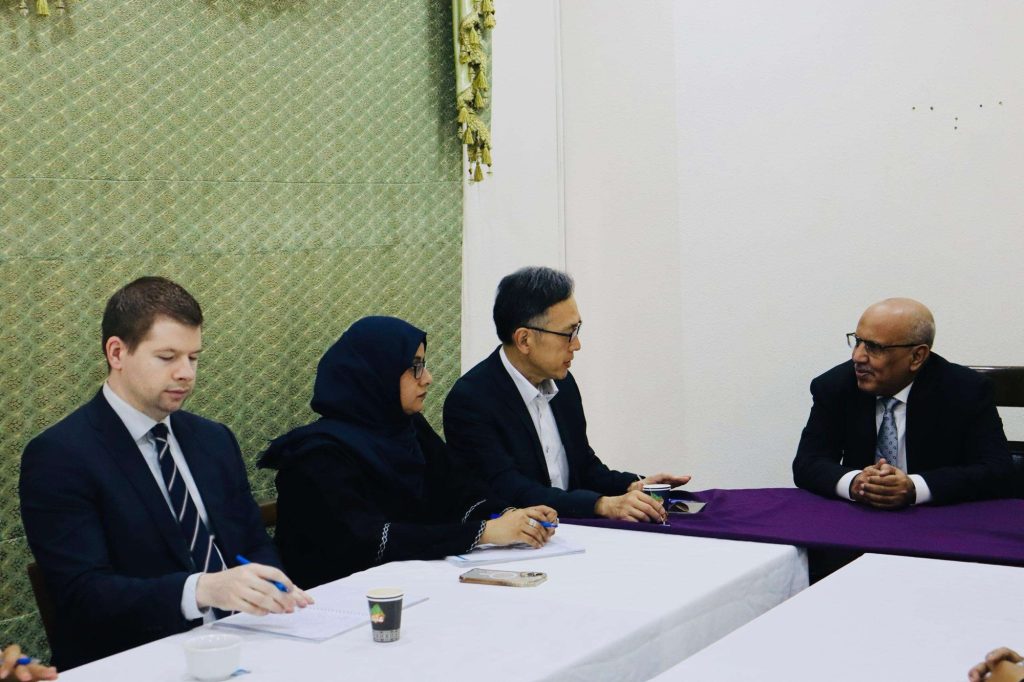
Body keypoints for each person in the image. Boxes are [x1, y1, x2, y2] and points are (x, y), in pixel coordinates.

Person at [19, 277, 311, 670]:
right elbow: (84, 593)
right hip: (137, 659)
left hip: (245, 641)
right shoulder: (60, 455)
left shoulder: (213, 439)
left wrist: (268, 585)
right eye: (167, 357)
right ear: (117, 352)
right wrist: (201, 589)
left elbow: (253, 542)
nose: (186, 373)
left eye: (194, 358)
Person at [260, 316, 557, 588]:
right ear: (377, 373)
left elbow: (458, 489)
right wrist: (485, 532)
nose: (426, 377)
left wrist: (510, 516)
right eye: (415, 366)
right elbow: (369, 540)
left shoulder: (407, 428)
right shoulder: (318, 456)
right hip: (338, 602)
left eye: (423, 365)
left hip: (411, 585)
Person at [443, 266, 691, 521]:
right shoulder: (471, 400)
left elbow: (584, 466)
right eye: (568, 334)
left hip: (573, 529)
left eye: (577, 330)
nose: (577, 344)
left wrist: (632, 485)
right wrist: (601, 505)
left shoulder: (563, 384)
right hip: (517, 538)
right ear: (525, 340)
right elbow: (510, 490)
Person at [793, 298, 1013, 508]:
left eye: (874, 347)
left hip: (936, 517)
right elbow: (808, 462)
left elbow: (998, 469)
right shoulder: (835, 386)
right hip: (860, 516)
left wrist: (914, 487)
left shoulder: (966, 390)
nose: (857, 357)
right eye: (858, 341)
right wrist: (856, 482)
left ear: (917, 356)